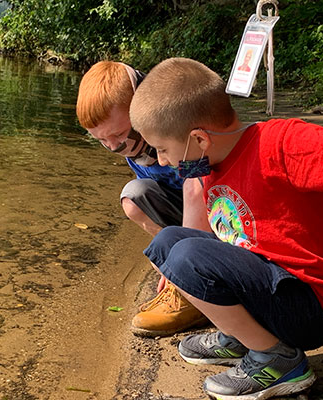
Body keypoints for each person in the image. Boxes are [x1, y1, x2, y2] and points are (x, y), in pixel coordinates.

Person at [128, 57, 323, 400]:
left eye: (164, 150)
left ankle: (278, 360)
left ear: (199, 139)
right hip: (270, 292)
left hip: (310, 307)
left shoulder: (279, 142)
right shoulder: (210, 164)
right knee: (169, 242)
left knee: (186, 254)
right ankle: (242, 337)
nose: (164, 161)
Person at [75, 61, 209, 337]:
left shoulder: (177, 126)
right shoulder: (130, 140)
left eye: (119, 135)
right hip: (187, 207)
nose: (114, 146)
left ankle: (194, 290)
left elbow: (197, 189)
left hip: (222, 210)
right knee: (134, 196)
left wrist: (180, 268)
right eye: (102, 140)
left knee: (187, 192)